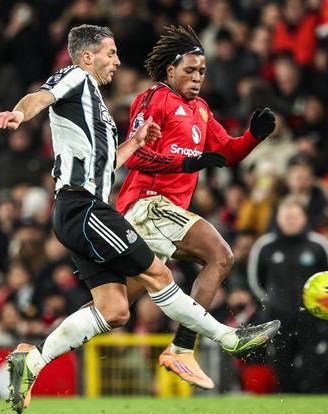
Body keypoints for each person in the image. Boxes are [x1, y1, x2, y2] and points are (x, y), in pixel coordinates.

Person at [0, 24, 280, 414]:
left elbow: (109, 164)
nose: (117, 61)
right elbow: (40, 96)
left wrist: (137, 141)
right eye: (111, 53)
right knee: (164, 274)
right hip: (88, 207)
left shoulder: (98, 107)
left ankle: (33, 360)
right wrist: (18, 114)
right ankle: (226, 339)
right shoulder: (76, 77)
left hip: (83, 210)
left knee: (115, 310)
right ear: (88, 56)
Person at [109, 25, 276, 389]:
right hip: (147, 204)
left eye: (202, 71)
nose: (198, 77)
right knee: (221, 255)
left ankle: (36, 355)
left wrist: (254, 137)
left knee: (114, 309)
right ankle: (183, 347)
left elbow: (226, 153)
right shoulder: (154, 99)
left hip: (164, 216)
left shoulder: (200, 110)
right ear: (170, 70)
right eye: (190, 70)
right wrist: (185, 163)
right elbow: (134, 155)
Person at [248, 197, 328, 393]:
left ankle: (314, 402)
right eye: (286, 216)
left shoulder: (319, 244)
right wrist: (271, 305)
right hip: (278, 320)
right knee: (282, 370)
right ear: (278, 218)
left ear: (304, 218)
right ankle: (287, 403)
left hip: (312, 319)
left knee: (314, 369)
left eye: (295, 216)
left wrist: (324, 311)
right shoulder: (265, 245)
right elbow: (255, 282)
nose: (290, 220)